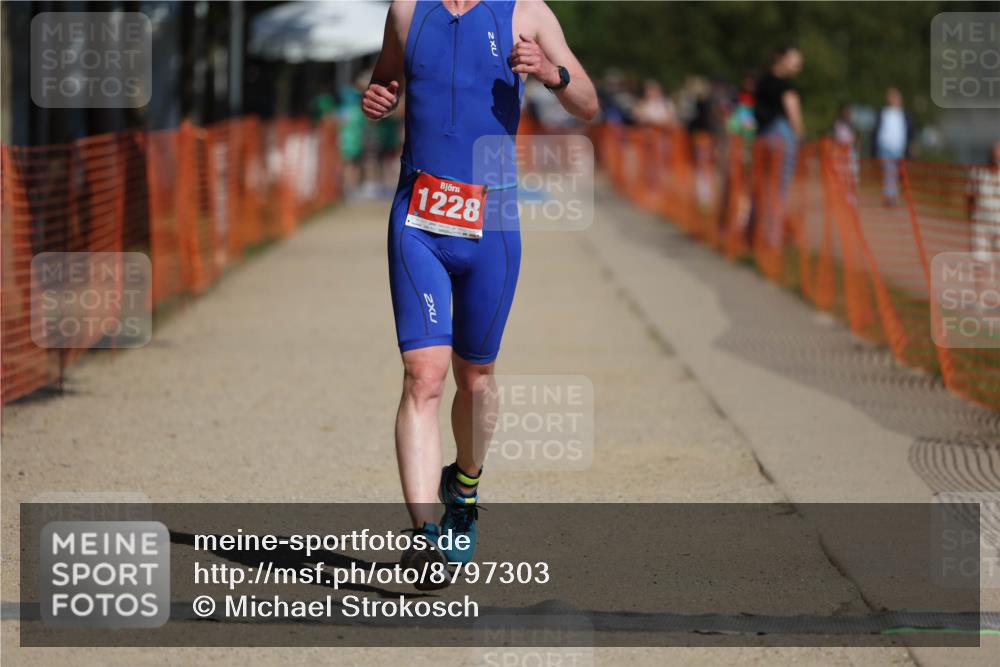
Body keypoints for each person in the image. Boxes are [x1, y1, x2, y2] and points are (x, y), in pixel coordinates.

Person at [362, 0, 597, 589]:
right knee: (424, 375)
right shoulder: (405, 11)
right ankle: (422, 541)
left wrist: (551, 72)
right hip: (418, 218)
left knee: (477, 380)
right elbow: (384, 80)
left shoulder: (527, 13)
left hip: (491, 224)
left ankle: (464, 484)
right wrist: (378, 99)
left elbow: (588, 105)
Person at [752, 45, 804, 247]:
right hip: (782, 137)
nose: (799, 64)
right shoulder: (787, 87)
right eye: (795, 59)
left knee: (761, 186)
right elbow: (794, 114)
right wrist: (799, 136)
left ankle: (755, 232)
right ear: (780, 58)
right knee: (778, 190)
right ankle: (772, 238)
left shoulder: (761, 81)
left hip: (762, 137)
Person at [871, 86, 915, 206]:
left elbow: (910, 131)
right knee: (889, 171)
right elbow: (876, 130)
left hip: (899, 148)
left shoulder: (904, 114)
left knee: (895, 173)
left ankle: (891, 195)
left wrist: (911, 145)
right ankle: (890, 196)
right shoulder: (883, 113)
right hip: (885, 146)